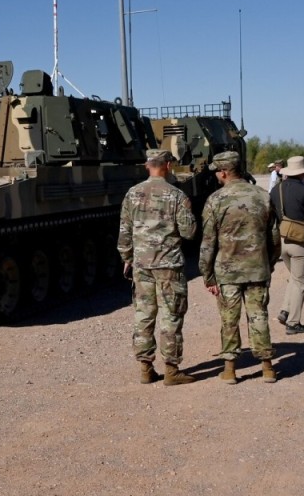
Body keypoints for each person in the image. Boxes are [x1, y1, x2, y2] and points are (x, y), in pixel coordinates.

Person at [200, 150, 281, 384]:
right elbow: (274, 237)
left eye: (217, 172)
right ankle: (267, 368)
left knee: (229, 319)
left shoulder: (216, 200)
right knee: (258, 316)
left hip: (227, 272)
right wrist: (270, 264)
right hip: (257, 268)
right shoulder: (262, 196)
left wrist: (208, 276)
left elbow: (208, 242)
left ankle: (230, 370)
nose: (216, 175)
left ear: (224, 172)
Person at [118, 149, 197, 386]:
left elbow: (124, 231)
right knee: (171, 315)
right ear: (168, 166)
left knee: (144, 315)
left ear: (147, 165)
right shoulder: (176, 195)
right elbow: (189, 232)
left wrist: (127, 257)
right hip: (169, 265)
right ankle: (171, 370)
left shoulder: (132, 194)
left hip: (141, 264)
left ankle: (145, 368)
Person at [269, 155, 304, 335]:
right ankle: (293, 323)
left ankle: (285, 311)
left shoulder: (275, 190)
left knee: (294, 277)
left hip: (282, 240)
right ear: (303, 173)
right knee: (300, 282)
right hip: (300, 240)